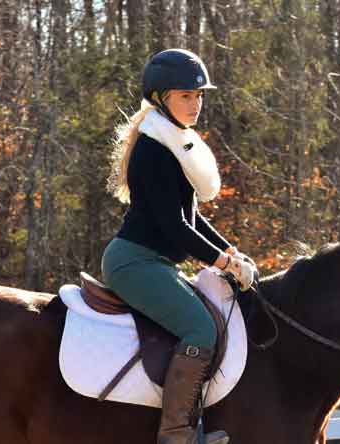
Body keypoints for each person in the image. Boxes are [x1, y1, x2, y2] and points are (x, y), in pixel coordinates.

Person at [102, 48, 256, 444]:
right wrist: (222, 259)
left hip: (157, 263)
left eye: (199, 95)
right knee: (200, 329)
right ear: (160, 98)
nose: (196, 103)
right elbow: (174, 226)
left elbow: (191, 218)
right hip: (134, 263)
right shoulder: (154, 149)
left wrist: (232, 254)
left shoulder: (175, 143)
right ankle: (176, 436)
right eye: (185, 95)